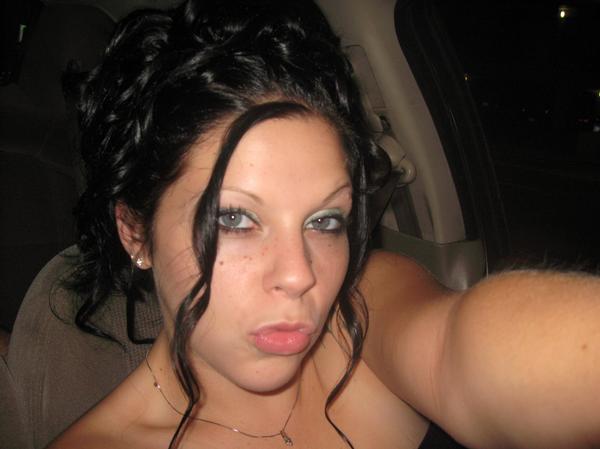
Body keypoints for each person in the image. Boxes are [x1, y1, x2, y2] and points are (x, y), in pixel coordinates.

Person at [47, 1, 600, 448]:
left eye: (324, 220)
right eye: (235, 218)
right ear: (135, 231)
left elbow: (460, 349)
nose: (300, 275)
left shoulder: (363, 310)